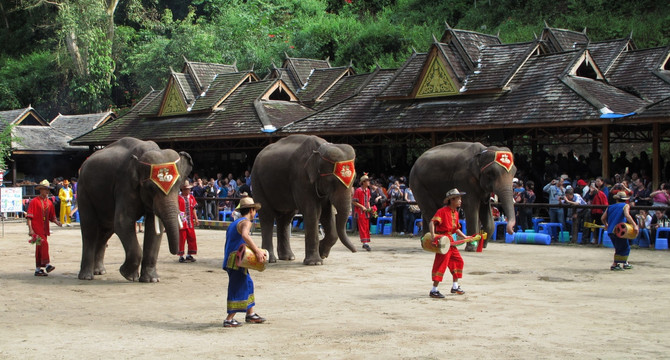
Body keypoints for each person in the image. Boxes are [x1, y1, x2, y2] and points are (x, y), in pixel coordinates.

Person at [223, 197, 266, 328]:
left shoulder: (234, 223)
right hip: (237, 260)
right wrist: (257, 251)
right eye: (255, 211)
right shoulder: (246, 222)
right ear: (252, 210)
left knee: (248, 283)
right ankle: (229, 319)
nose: (255, 213)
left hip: (232, 258)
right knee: (238, 285)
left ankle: (250, 313)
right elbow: (245, 236)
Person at [428, 188, 468, 299]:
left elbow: (456, 228)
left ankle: (455, 286)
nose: (460, 201)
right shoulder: (442, 211)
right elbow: (432, 222)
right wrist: (433, 236)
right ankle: (434, 289)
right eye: (458, 198)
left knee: (458, 261)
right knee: (441, 264)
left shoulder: (455, 212)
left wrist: (465, 237)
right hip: (443, 241)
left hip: (451, 241)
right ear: (452, 200)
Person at [26, 179, 62, 276]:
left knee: (39, 247)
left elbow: (52, 216)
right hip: (36, 227)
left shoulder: (50, 203)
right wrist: (30, 229)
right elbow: (29, 216)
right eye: (45, 189)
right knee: (44, 243)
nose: (47, 191)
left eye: (48, 190)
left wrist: (57, 222)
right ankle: (47, 264)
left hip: (45, 228)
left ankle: (38, 269)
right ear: (40, 190)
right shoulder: (34, 201)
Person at [602, 192, 637, 271]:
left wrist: (606, 225)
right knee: (625, 247)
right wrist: (634, 225)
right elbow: (627, 215)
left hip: (611, 231)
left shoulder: (610, 207)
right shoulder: (625, 205)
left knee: (619, 247)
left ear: (617, 199)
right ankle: (615, 264)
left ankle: (625, 263)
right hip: (619, 230)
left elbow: (603, 218)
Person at [178, 180, 200, 263]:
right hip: (182, 219)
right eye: (187, 189)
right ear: (183, 190)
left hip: (190, 220)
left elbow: (193, 209)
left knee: (192, 237)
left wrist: (196, 219)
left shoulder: (191, 197)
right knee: (182, 238)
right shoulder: (178, 198)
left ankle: (189, 254)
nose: (189, 191)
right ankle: (181, 255)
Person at [353, 174, 373, 251]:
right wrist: (362, 206)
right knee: (362, 227)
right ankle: (365, 243)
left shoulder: (368, 190)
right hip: (360, 211)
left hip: (366, 211)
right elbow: (354, 202)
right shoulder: (358, 190)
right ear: (363, 182)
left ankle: (366, 242)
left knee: (367, 227)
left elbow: (368, 201)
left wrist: (370, 207)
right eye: (367, 181)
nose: (369, 182)